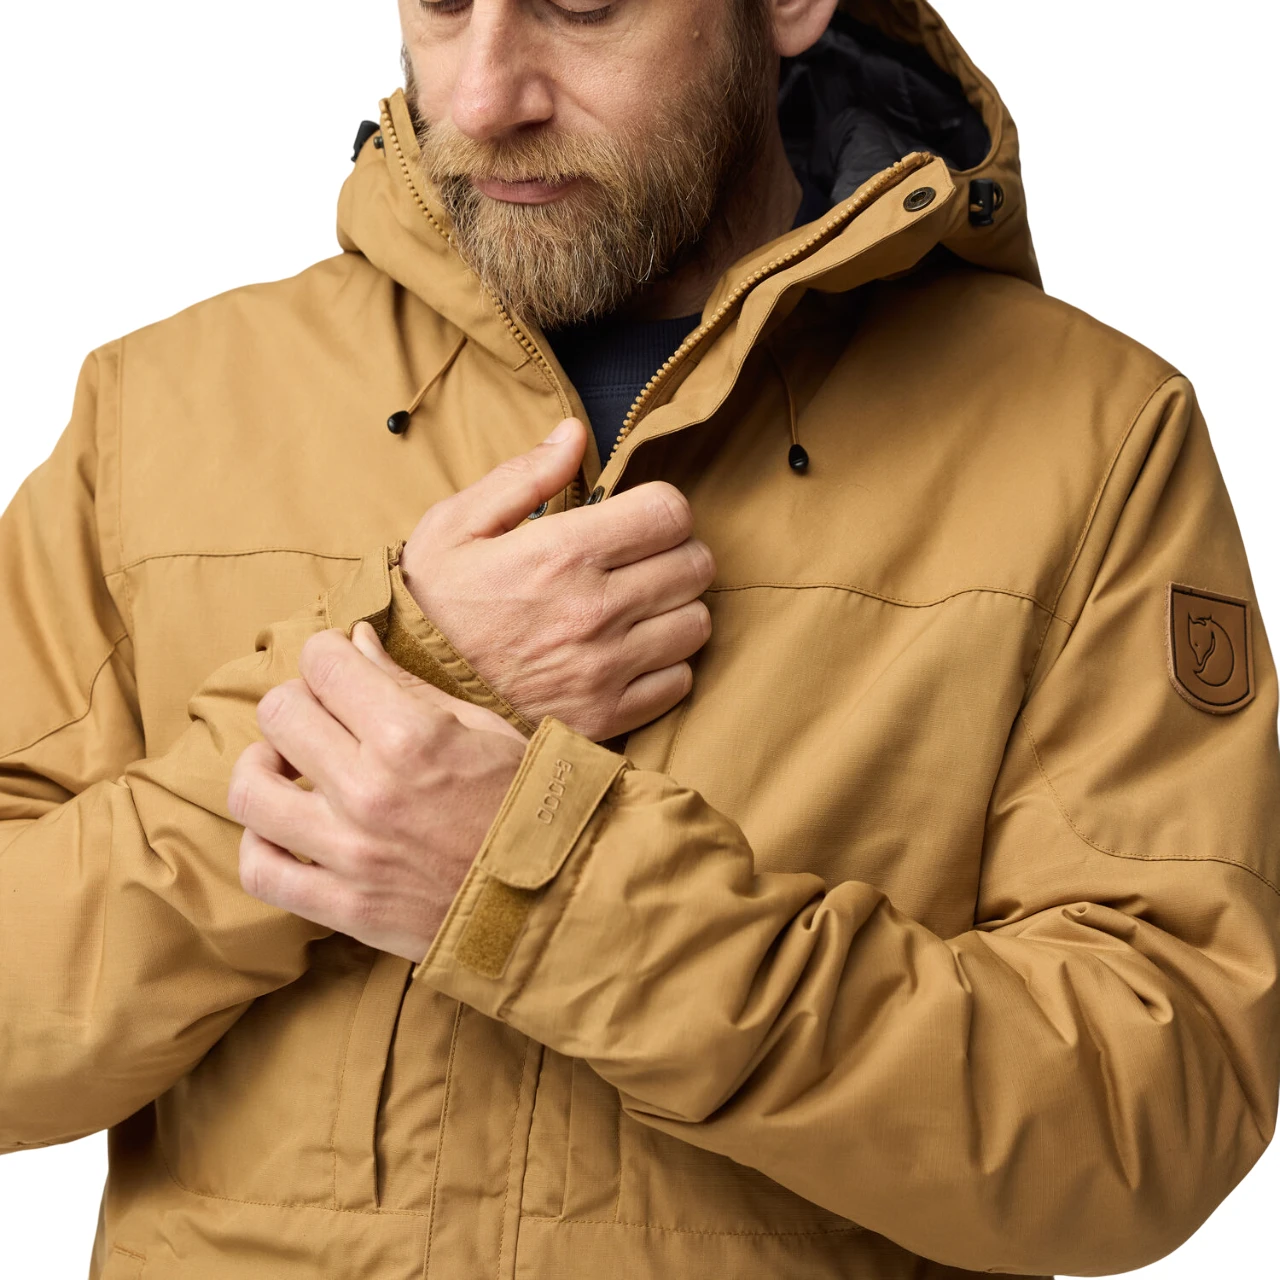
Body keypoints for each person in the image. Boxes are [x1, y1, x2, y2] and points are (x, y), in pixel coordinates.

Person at [2, 0, 1277, 1277]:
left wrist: (544, 895)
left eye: (583, 6)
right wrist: (398, 686)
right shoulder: (157, 408)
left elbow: (1149, 1120)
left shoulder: (1088, 440)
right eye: (442, 5)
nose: (483, 100)